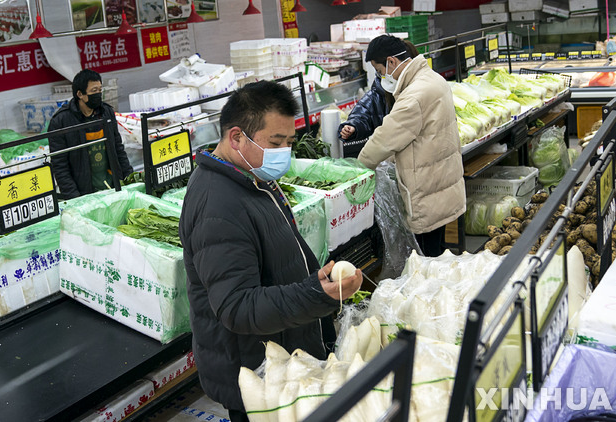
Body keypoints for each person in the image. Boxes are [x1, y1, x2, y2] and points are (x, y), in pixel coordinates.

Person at [178, 81, 363, 422]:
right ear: (236, 138)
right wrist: (313, 294)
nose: (284, 152)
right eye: (275, 143)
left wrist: (316, 282)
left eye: (289, 142)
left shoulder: (252, 176)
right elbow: (237, 307)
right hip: (257, 377)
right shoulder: (216, 205)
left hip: (283, 360)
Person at [358, 35, 466, 257]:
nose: (380, 77)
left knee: (427, 258)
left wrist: (357, 168)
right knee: (438, 251)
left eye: (379, 71)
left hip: (427, 191)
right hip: (441, 184)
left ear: (392, 62)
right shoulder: (432, 79)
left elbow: (385, 138)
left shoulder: (414, 96)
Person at [48, 69, 133, 199]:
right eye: (94, 91)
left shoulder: (106, 112)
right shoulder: (61, 121)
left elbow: (118, 148)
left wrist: (130, 179)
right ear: (80, 94)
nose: (98, 94)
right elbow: (60, 166)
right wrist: (75, 198)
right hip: (84, 193)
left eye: (100, 90)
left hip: (112, 186)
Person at [338, 41, 419, 157]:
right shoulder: (381, 89)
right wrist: (353, 126)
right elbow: (365, 110)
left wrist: (365, 161)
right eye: (379, 72)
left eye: (380, 71)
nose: (382, 75)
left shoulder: (418, 90)